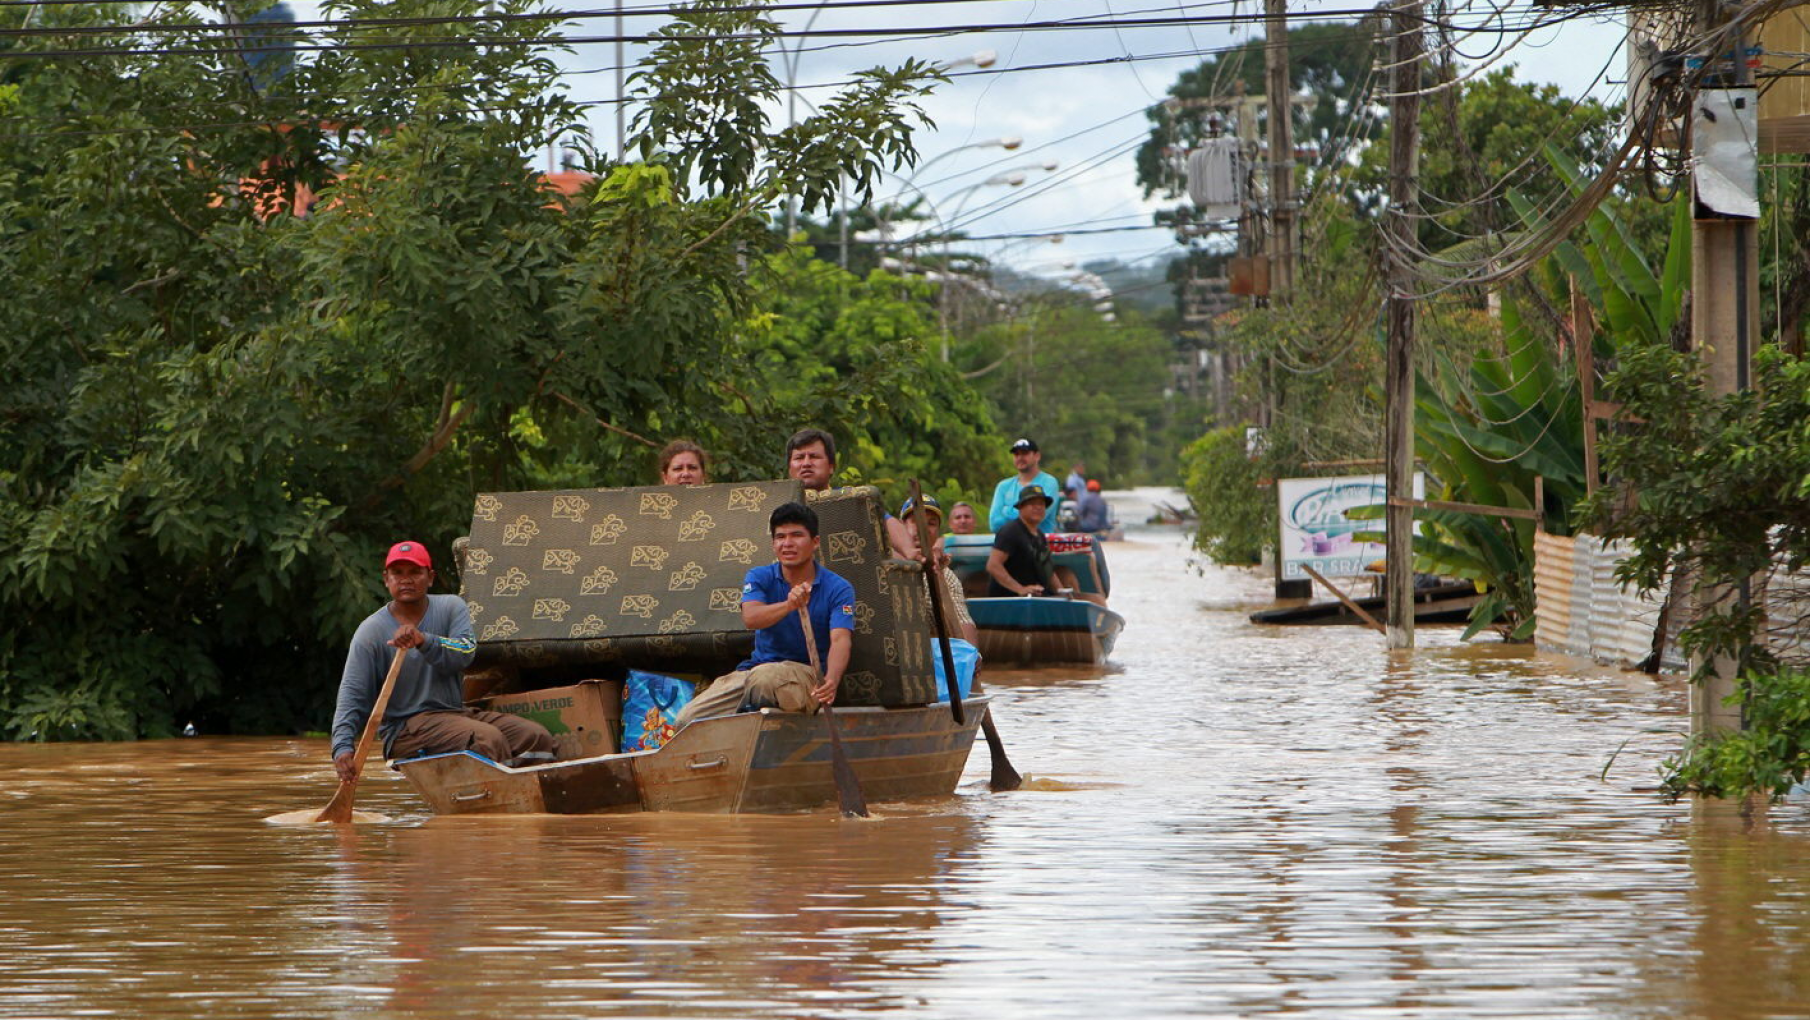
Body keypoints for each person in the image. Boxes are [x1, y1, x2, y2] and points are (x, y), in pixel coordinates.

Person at [331, 542, 557, 776]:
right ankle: (492, 802)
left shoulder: (451, 607)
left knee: (535, 737)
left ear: (430, 578)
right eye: (398, 573)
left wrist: (424, 641)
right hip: (406, 729)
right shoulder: (371, 632)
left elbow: (464, 652)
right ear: (386, 579)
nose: (405, 580)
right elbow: (352, 694)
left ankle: (531, 799)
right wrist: (342, 747)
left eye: (415, 572)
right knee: (486, 739)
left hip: (454, 715)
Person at [674, 502, 855, 726]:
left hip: (806, 677)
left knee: (765, 679)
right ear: (773, 544)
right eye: (780, 537)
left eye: (797, 535)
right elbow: (751, 618)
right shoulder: (759, 576)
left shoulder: (839, 588)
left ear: (815, 542)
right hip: (754, 672)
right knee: (687, 720)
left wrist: (831, 681)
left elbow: (840, 639)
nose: (787, 544)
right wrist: (789, 605)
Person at [986, 486, 1107, 607]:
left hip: (1039, 597)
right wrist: (1020, 589)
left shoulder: (1040, 536)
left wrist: (1062, 593)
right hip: (1013, 601)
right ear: (1021, 507)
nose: (1038, 507)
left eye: (1041, 504)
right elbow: (993, 565)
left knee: (1096, 600)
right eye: (1032, 503)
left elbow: (1048, 572)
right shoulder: (1010, 531)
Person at [898, 493, 980, 647]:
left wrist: (971, 654)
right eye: (916, 521)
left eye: (931, 523)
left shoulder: (945, 574)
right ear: (902, 526)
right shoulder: (882, 561)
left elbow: (962, 619)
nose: (923, 528)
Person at [987, 437, 1062, 534]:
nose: (1020, 458)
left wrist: (1006, 511)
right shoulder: (1003, 486)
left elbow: (1037, 517)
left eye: (1024, 453)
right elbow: (994, 524)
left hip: (1040, 544)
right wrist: (1023, 514)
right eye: (1016, 454)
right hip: (1010, 545)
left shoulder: (1049, 482)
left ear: (1037, 456)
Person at [784, 428, 837, 492]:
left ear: (831, 466)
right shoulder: (774, 501)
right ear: (789, 468)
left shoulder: (848, 499)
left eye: (814, 457)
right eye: (799, 458)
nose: (806, 463)